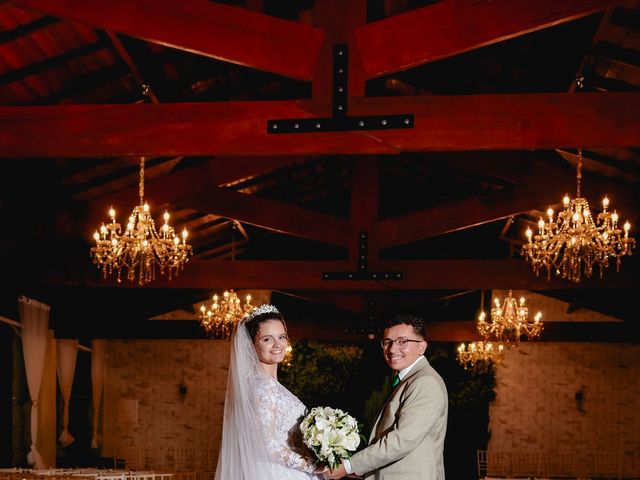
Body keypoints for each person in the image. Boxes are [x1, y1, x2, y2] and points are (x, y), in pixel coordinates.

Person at [326, 314, 448, 480]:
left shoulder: (425, 382)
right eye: (387, 342)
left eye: (402, 341)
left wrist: (349, 466)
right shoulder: (407, 379)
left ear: (422, 347)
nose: (392, 349)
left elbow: (401, 440)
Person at [215, 304, 324, 480]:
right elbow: (266, 445)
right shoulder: (265, 387)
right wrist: (314, 466)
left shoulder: (257, 384)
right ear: (252, 345)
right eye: (267, 339)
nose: (277, 344)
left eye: (281, 337)